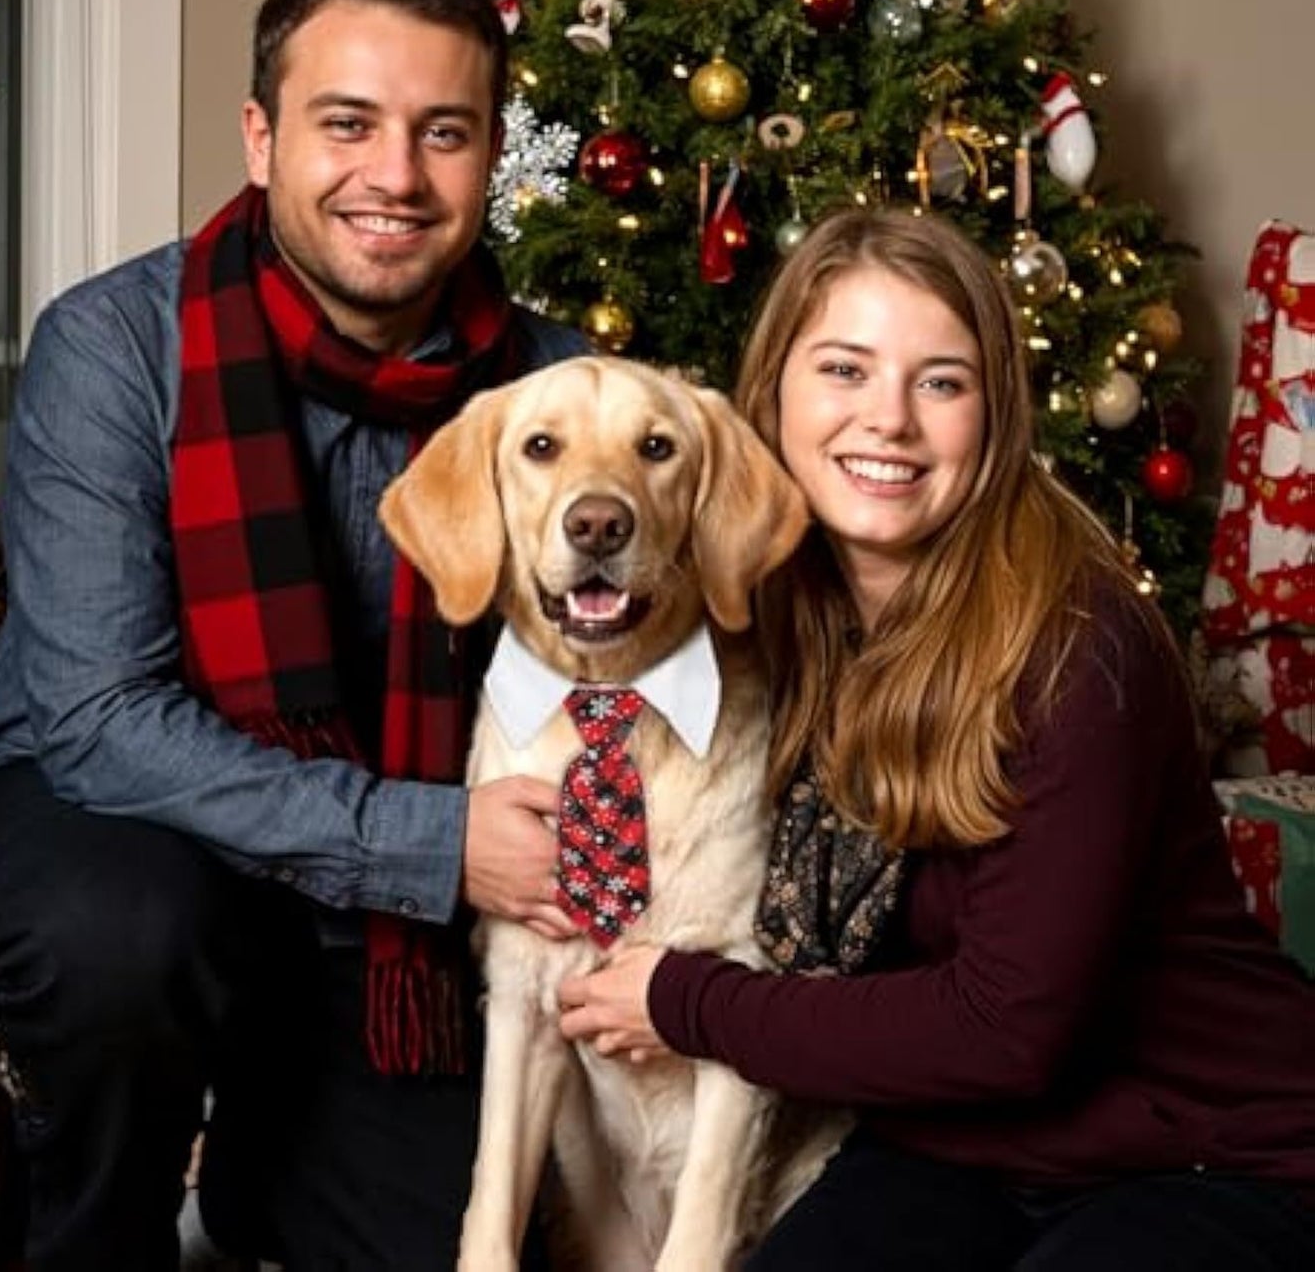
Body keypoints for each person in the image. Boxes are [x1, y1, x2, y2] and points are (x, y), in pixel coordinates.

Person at [0, 0, 584, 1272]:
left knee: (446, 1240)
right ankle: (94, 1238)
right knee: (125, 933)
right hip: (94, 814)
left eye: (442, 133)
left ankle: (261, 1177)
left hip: (379, 919)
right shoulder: (116, 345)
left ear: (488, 155)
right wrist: (433, 843)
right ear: (262, 135)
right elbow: (103, 724)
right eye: (347, 123)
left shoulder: (556, 392)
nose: (393, 178)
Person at [558, 207, 1315, 1270]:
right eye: (843, 369)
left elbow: (1003, 1027)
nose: (888, 421)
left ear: (992, 414)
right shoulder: (765, 611)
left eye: (939, 382)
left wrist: (686, 1002)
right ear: (774, 386)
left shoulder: (1075, 643)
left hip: (1208, 1148)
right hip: (950, 1147)